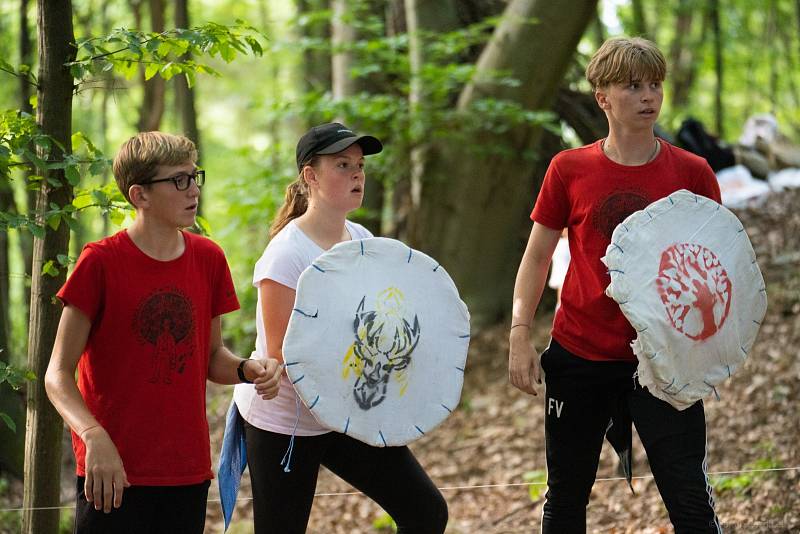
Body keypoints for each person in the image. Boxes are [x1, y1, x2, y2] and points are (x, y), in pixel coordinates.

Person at [508, 37, 723, 533]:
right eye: (632, 86)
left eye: (654, 85)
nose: (649, 96)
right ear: (602, 97)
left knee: (689, 498)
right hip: (580, 354)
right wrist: (520, 331)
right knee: (565, 499)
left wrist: (712, 343)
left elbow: (720, 264)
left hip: (666, 358)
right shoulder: (569, 169)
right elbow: (538, 255)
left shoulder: (692, 173)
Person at [44, 131, 282, 534]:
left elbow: (211, 358)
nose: (194, 190)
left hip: (185, 472)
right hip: (112, 473)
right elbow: (57, 374)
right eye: (179, 180)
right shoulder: (99, 262)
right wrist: (92, 435)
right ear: (140, 196)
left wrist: (248, 369)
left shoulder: (208, 258)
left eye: (194, 176)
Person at [230, 122, 448, 533]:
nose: (357, 175)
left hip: (348, 410)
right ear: (310, 176)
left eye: (360, 166)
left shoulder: (360, 238)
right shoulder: (285, 256)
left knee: (426, 511)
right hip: (286, 420)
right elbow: (280, 356)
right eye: (343, 164)